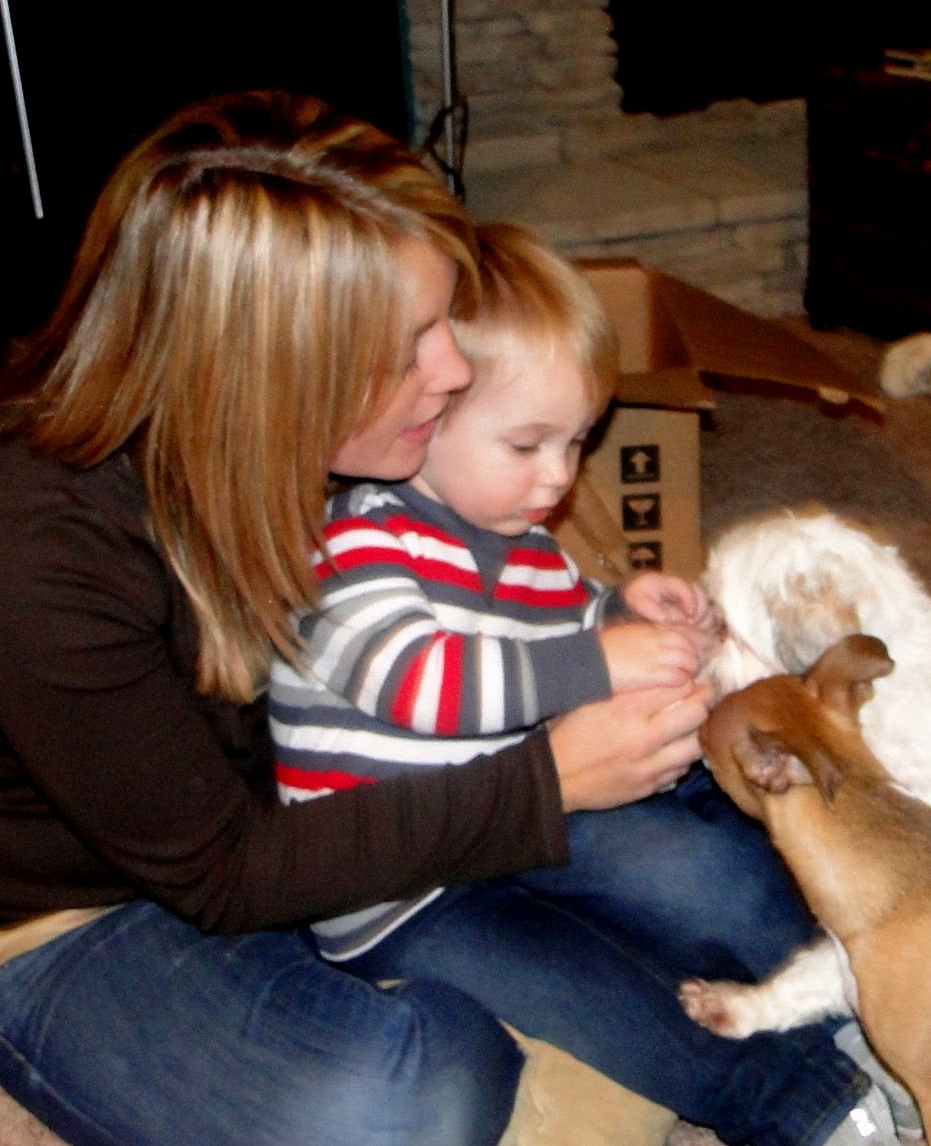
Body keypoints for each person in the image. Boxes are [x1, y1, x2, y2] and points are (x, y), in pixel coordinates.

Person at [0, 89, 896, 1146]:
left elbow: (487, 593)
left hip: (366, 800)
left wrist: (606, 631)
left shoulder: (303, 439)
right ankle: (575, 1045)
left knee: (727, 877)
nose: (453, 372)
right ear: (276, 368)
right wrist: (547, 783)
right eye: (413, 342)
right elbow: (226, 871)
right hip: (97, 915)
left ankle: (607, 1029)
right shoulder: (17, 548)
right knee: (407, 1094)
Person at [272, 221, 720, 963]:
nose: (560, 475)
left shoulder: (530, 545)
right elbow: (422, 683)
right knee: (597, 991)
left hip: (524, 824)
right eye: (526, 445)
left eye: (577, 441)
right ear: (425, 417)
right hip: (397, 898)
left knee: (708, 871)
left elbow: (565, 623)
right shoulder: (349, 539)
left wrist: (620, 609)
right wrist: (606, 660)